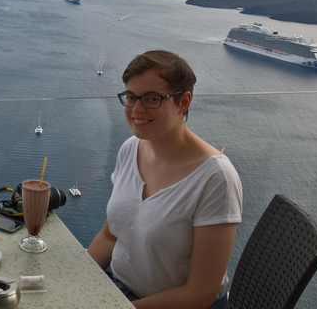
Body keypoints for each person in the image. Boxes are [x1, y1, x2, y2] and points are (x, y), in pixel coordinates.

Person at [88, 50, 242, 309]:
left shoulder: (216, 178)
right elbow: (110, 236)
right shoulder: (130, 149)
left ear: (183, 102)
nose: (137, 109)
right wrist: (73, 278)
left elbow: (200, 294)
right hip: (118, 289)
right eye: (131, 97)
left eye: (152, 99)